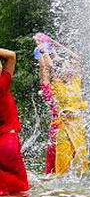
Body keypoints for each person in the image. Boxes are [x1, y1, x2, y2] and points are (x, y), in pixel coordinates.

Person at [34, 34, 89, 176]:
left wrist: (56, 44)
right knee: (62, 168)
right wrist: (43, 51)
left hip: (77, 127)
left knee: (81, 164)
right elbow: (48, 67)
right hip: (62, 128)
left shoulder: (76, 82)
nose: (68, 68)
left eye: (69, 66)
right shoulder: (56, 85)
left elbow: (77, 58)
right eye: (65, 67)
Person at [0, 47, 29, 194]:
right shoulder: (1, 85)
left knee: (4, 193)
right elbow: (11, 55)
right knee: (21, 191)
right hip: (8, 142)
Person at [35, 40, 58, 175]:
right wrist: (42, 52)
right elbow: (46, 69)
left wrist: (48, 51)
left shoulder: (60, 87)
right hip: (57, 127)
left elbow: (50, 68)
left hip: (62, 126)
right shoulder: (48, 92)